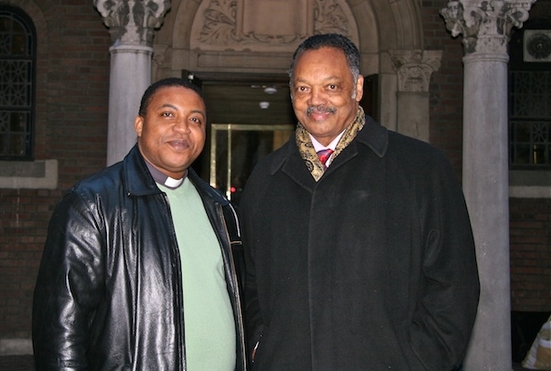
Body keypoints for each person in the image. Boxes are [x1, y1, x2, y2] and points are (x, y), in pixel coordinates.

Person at [239, 34, 480, 370]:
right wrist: (260, 347)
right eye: (303, 88)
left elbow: (453, 283)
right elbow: (251, 282)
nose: (315, 100)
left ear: (358, 88)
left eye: (331, 87)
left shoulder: (422, 168)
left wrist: (421, 360)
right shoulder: (265, 179)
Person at [32, 78, 247, 371]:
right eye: (168, 114)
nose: (182, 128)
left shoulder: (219, 208)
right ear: (140, 125)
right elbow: (60, 328)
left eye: (194, 119)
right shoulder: (92, 203)